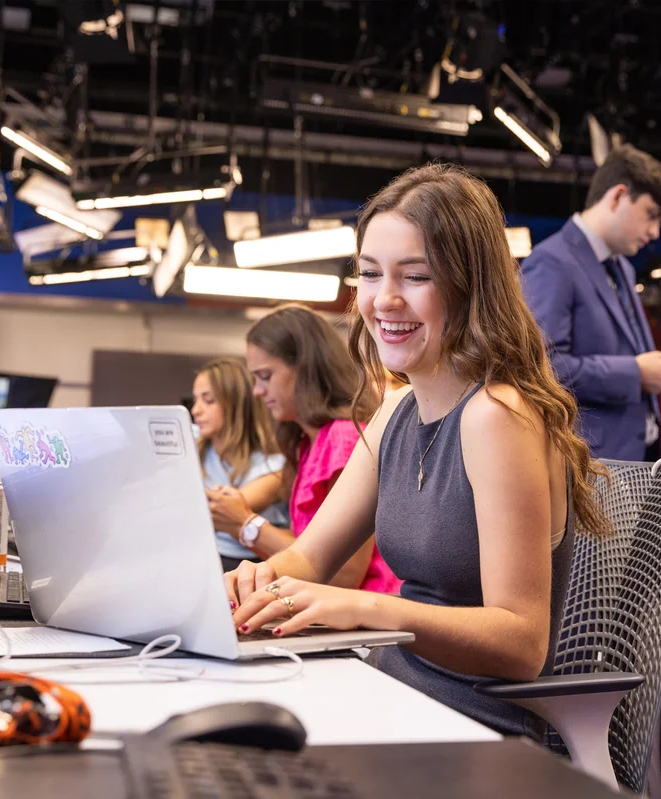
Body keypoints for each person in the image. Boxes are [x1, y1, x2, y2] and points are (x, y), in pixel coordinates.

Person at [223, 163, 610, 737]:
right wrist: (256, 583)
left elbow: (523, 643)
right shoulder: (396, 412)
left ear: (469, 285)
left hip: (473, 729)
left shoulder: (497, 417)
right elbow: (309, 560)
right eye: (370, 274)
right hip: (393, 697)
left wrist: (366, 610)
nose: (384, 301)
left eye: (416, 277)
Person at [206, 305, 401, 594]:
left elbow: (344, 574)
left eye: (266, 376)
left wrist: (247, 525)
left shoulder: (343, 439)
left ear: (304, 370)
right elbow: (307, 544)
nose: (258, 390)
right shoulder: (310, 444)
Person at [521, 144, 661, 460]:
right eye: (651, 215)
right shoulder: (552, 262)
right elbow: (541, 367)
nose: (654, 233)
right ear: (618, 196)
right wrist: (635, 373)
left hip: (633, 462)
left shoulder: (621, 266)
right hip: (586, 467)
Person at [192, 357, 290, 573]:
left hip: (250, 564)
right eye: (196, 399)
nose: (196, 410)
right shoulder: (195, 444)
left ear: (235, 404)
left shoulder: (273, 466)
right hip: (210, 553)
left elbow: (221, 510)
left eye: (208, 400)